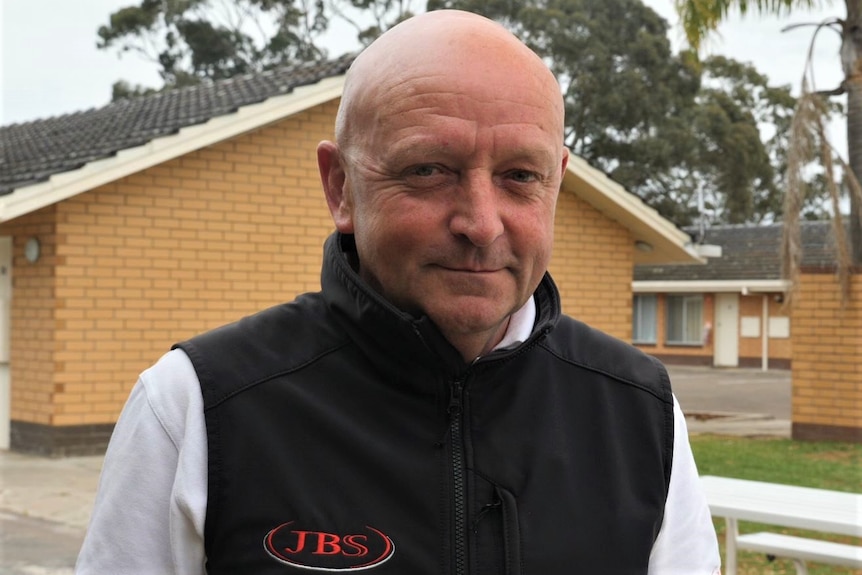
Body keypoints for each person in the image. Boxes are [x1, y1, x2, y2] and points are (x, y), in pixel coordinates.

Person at [76, 9, 720, 575]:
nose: (482, 222)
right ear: (341, 188)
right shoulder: (196, 407)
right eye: (428, 170)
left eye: (520, 175)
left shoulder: (641, 412)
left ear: (557, 182)